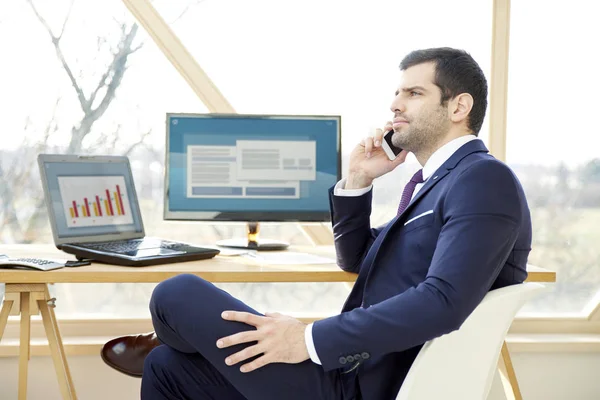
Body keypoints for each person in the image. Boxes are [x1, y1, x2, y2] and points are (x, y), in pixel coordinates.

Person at [101, 47, 531, 400]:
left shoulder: (482, 178)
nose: (395, 105)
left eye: (413, 93)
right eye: (396, 93)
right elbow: (358, 260)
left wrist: (306, 339)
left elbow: (443, 302)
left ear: (459, 105)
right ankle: (180, 341)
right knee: (165, 368)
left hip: (362, 384)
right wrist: (357, 181)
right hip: (350, 371)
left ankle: (181, 334)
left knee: (175, 292)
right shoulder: (435, 184)